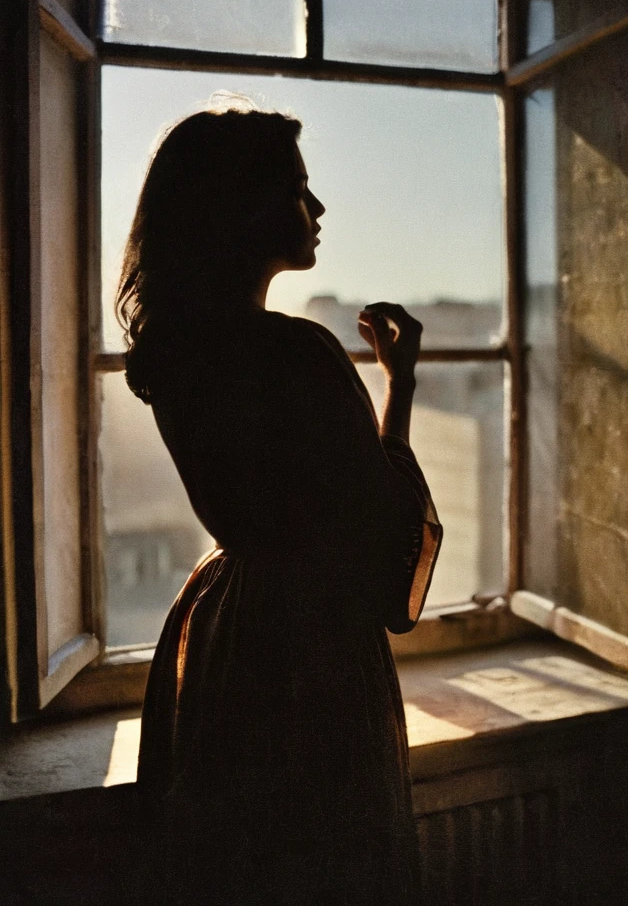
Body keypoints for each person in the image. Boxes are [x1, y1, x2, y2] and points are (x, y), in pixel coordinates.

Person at [116, 103, 442, 905]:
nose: (319, 208)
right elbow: (385, 537)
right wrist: (399, 387)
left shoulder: (175, 355)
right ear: (247, 209)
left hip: (227, 639)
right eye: (300, 188)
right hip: (315, 654)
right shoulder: (296, 353)